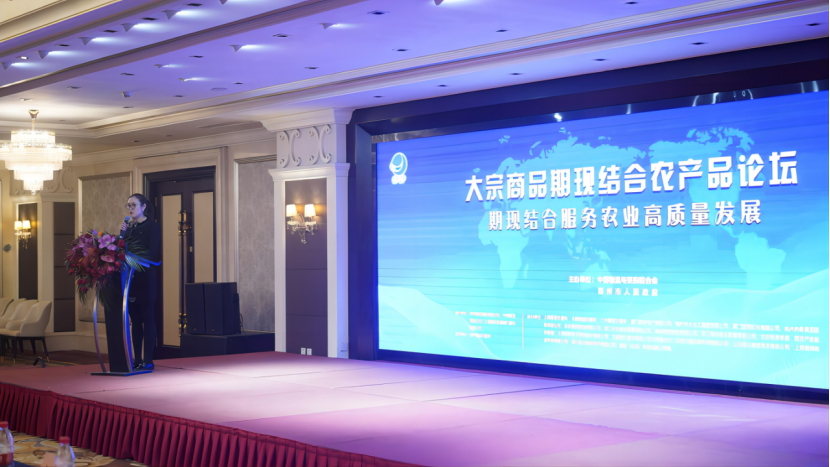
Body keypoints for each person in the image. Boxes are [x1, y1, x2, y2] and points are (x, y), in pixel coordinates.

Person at [101, 194, 160, 372]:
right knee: (135, 319)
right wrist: (121, 238)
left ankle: (148, 360)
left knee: (147, 317)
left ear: (143, 207)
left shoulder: (152, 226)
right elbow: (120, 250)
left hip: (145, 278)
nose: (130, 209)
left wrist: (130, 256)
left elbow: (153, 253)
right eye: (128, 205)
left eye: (134, 205)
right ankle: (137, 359)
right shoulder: (128, 228)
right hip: (129, 280)